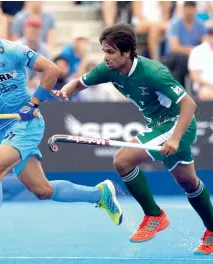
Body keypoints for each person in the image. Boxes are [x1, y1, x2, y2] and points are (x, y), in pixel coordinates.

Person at [0, 10, 123, 261]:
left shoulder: (11, 51)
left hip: (27, 124)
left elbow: (51, 70)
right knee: (42, 191)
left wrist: (33, 104)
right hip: (3, 129)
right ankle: (101, 195)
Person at [53, 23, 213, 255]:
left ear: (126, 52)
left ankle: (154, 216)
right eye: (104, 51)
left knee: (122, 160)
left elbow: (189, 103)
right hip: (158, 126)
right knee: (187, 181)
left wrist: (176, 139)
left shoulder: (153, 73)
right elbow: (78, 82)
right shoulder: (108, 69)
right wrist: (67, 91)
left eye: (110, 52)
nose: (105, 57)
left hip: (177, 125)